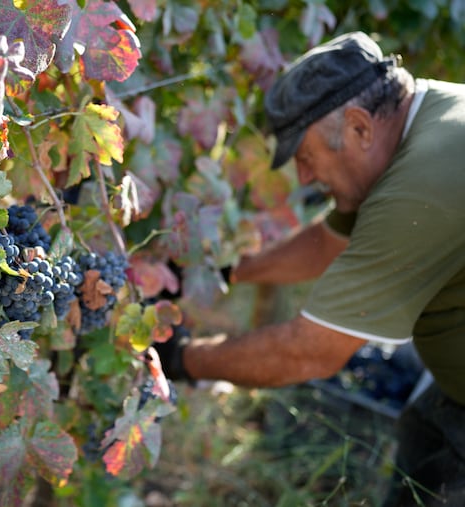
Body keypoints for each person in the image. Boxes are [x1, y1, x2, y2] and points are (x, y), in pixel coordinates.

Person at [154, 31, 465, 506]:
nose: (303, 178)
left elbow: (309, 352)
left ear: (359, 127)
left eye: (305, 157)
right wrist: (224, 271)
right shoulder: (423, 122)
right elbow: (328, 243)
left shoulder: (418, 190)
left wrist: (180, 358)